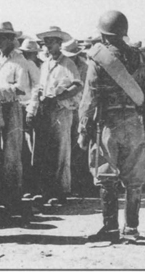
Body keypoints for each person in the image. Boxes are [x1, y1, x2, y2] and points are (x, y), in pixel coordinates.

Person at [78, 10, 145, 242]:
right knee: (134, 178)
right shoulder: (140, 57)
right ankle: (131, 228)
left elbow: (89, 98)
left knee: (106, 175)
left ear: (103, 34)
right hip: (134, 122)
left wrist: (83, 128)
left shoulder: (98, 58)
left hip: (109, 123)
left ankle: (110, 228)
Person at [0, 21, 34, 216]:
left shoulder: (19, 60)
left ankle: (14, 195)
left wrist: (1, 88)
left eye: (2, 37)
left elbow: (22, 88)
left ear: (11, 39)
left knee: (12, 151)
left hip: (11, 106)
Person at [27, 26, 82, 205]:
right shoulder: (45, 64)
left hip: (61, 110)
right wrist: (34, 108)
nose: (48, 46)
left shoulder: (68, 64)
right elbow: (40, 87)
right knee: (45, 151)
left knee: (61, 150)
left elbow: (77, 85)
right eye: (46, 42)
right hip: (46, 109)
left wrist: (58, 97)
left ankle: (61, 191)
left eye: (51, 42)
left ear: (59, 43)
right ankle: (46, 189)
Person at [62, 39, 95, 196]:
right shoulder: (66, 66)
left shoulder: (85, 67)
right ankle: (75, 182)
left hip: (81, 109)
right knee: (70, 146)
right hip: (69, 108)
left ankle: (84, 182)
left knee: (82, 146)